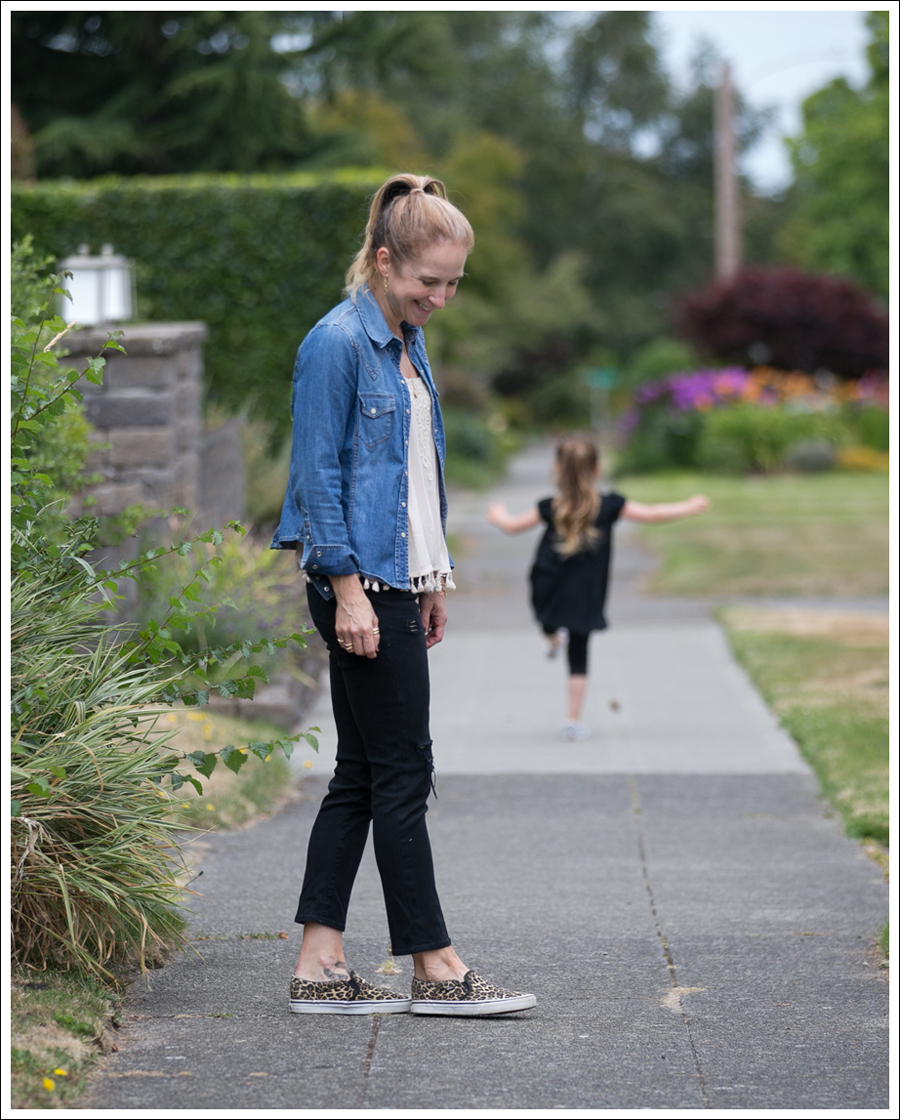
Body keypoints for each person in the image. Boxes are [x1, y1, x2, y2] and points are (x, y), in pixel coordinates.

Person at [271, 174, 536, 1017]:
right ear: (384, 262)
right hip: (357, 584)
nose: (443, 297)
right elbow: (318, 480)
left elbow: (410, 478)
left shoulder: (405, 339)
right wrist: (351, 592)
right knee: (403, 770)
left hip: (395, 580)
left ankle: (320, 964)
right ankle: (435, 966)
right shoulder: (337, 344)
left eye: (455, 282)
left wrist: (431, 575)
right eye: (429, 280)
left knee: (361, 771)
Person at [487, 435, 709, 741]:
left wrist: (498, 514)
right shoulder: (609, 505)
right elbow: (653, 514)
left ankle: (553, 645)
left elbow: (512, 527)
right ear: (597, 469)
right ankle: (572, 719)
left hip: (547, 582)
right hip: (586, 591)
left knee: (547, 620)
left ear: (556, 469)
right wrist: (687, 506)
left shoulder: (549, 507)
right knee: (579, 650)